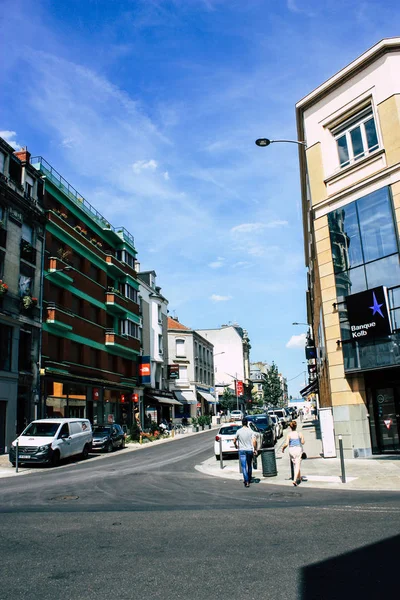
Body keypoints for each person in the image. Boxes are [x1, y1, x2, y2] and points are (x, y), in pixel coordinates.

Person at [233, 417, 258, 488]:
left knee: (243, 466)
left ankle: (246, 480)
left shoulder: (238, 431)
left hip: (242, 450)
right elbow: (254, 441)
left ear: (242, 423)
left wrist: (236, 445)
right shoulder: (251, 431)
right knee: (249, 465)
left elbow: (234, 440)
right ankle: (249, 478)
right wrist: (255, 449)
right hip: (249, 450)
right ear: (247, 423)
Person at [281, 420, 305, 486]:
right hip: (298, 450)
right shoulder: (299, 433)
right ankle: (295, 480)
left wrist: (283, 448)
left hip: (291, 450)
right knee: (297, 465)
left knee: (296, 464)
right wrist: (301, 439)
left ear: (290, 427)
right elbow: (303, 442)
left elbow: (286, 444)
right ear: (296, 426)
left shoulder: (289, 434)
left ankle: (299, 477)